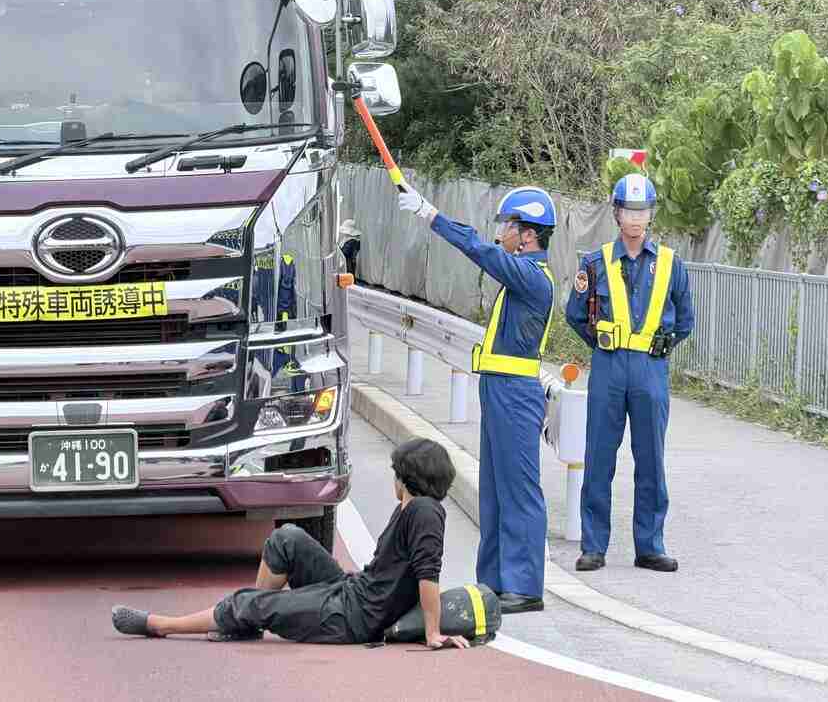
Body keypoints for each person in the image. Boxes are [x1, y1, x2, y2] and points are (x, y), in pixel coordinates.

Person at [111, 438, 469, 649]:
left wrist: (434, 633)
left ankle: (160, 624)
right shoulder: (411, 507)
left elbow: (428, 574)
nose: (393, 478)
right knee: (287, 538)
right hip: (353, 592)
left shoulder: (424, 511)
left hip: (351, 617)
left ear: (407, 478)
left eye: (396, 472)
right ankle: (245, 622)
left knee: (249, 602)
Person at [398, 184, 556, 614]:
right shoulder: (521, 275)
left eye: (508, 225)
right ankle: (495, 580)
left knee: (520, 490)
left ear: (527, 234)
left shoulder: (532, 277)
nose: (501, 232)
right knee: (495, 490)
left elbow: (479, 250)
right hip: (498, 388)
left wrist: (432, 216)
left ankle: (525, 584)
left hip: (515, 393)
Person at [565, 173, 694, 574]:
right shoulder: (595, 262)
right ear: (616, 213)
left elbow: (685, 321)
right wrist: (606, 344)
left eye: (642, 210)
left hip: (651, 369)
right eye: (628, 210)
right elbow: (575, 313)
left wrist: (655, 350)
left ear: (650, 214)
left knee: (651, 459)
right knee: (599, 455)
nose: (635, 218)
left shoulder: (672, 265)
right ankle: (593, 546)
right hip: (608, 366)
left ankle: (650, 546)